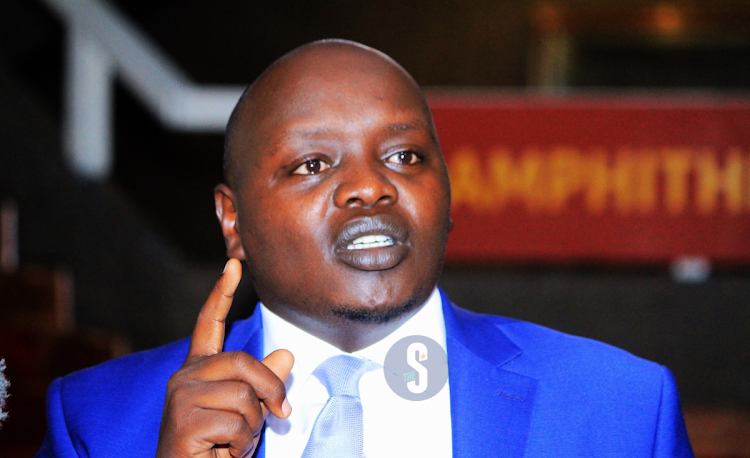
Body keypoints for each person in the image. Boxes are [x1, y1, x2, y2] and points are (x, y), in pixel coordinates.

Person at [37, 39, 694, 458]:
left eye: (404, 155)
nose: (370, 187)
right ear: (232, 220)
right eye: (313, 164)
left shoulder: (622, 409)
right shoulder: (98, 421)